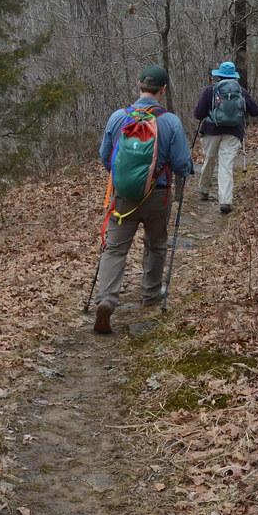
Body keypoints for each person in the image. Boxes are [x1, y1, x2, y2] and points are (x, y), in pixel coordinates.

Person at [93, 64, 192, 334]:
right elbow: (182, 164)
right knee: (156, 244)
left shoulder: (118, 117)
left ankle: (107, 300)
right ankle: (150, 294)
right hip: (158, 196)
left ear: (139, 85)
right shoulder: (170, 121)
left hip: (123, 197)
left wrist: (124, 179)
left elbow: (105, 156)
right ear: (163, 89)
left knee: (114, 248)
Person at [193, 61, 258, 214]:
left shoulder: (210, 90)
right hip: (233, 133)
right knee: (226, 166)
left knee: (209, 160)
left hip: (211, 130)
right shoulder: (241, 91)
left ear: (219, 75)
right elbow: (255, 111)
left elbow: (198, 114)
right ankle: (225, 200)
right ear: (234, 76)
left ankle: (204, 190)